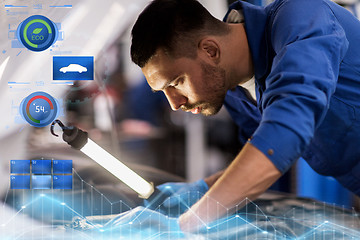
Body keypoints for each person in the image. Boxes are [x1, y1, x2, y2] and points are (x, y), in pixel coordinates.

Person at [130, 0, 360, 233]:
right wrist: (201, 189)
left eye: (176, 82)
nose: (174, 104)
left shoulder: (302, 19)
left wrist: (189, 223)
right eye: (163, 92)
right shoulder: (235, 92)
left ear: (210, 50)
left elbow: (285, 132)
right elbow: (259, 159)